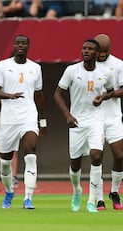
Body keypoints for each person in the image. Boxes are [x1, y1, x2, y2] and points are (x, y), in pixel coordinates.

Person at [54, 39, 114, 213]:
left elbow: (110, 91)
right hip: (76, 122)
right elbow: (57, 94)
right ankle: (77, 190)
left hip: (96, 121)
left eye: (90, 49)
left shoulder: (105, 72)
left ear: (97, 53)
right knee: (75, 164)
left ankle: (91, 201)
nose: (86, 51)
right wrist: (68, 115)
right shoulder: (72, 70)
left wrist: (102, 98)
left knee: (96, 156)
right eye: (84, 48)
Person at [0, 34, 46, 210]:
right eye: (17, 43)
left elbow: (39, 95)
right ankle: (9, 191)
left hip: (28, 116)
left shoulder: (35, 68)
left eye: (24, 43)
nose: (20, 46)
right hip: (8, 119)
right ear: (13, 46)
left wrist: (42, 120)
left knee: (30, 153)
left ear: (29, 47)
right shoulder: (3, 66)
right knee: (5, 161)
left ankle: (28, 198)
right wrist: (9, 96)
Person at [94, 34, 123, 210]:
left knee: (120, 155)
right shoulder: (88, 65)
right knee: (97, 157)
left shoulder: (118, 64)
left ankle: (114, 191)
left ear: (110, 48)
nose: (102, 54)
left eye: (105, 51)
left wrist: (106, 96)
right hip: (94, 119)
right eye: (100, 51)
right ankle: (98, 198)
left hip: (113, 117)